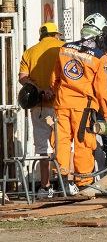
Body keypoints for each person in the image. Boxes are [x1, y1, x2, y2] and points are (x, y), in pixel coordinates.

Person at [51, 13, 107, 196]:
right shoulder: (99, 57)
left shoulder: (64, 48)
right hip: (83, 107)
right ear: (99, 33)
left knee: (60, 142)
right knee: (84, 142)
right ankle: (84, 183)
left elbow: (54, 79)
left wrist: (60, 95)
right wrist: (106, 113)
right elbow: (102, 89)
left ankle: (62, 181)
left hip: (62, 103)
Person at [17, 22, 65, 199]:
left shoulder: (30, 52)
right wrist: (51, 89)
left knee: (43, 148)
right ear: (56, 35)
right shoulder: (64, 48)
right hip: (60, 105)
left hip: (38, 107)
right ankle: (67, 183)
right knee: (65, 144)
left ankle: (45, 187)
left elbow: (23, 78)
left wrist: (39, 89)